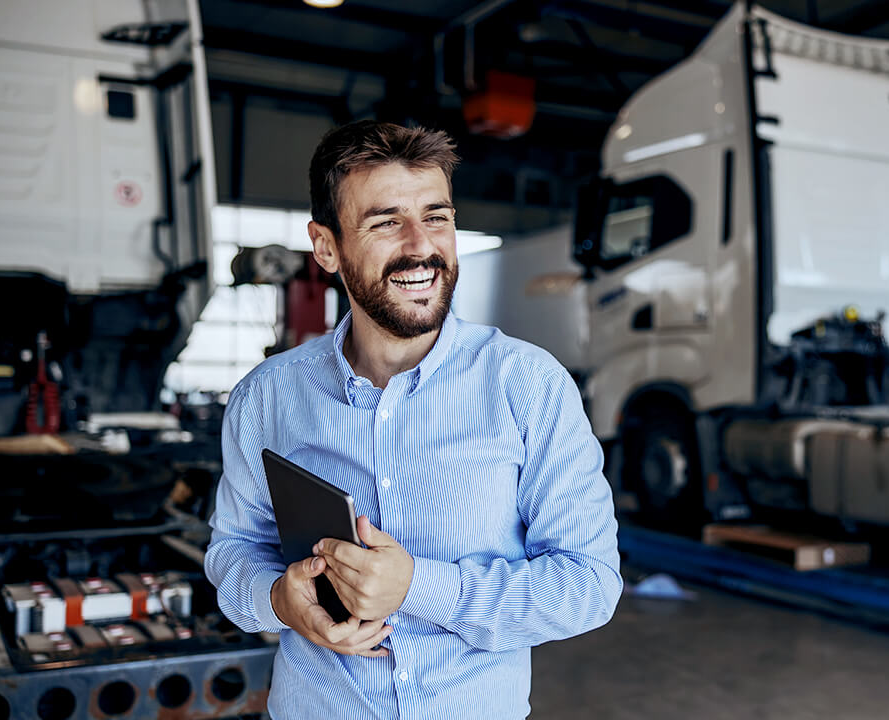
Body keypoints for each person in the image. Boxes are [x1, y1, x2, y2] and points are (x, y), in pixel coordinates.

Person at [205, 119, 622, 719]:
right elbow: (234, 551)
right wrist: (279, 600)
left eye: (437, 216)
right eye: (385, 222)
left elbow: (589, 586)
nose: (420, 246)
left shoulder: (528, 386)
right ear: (326, 247)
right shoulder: (266, 398)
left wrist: (419, 589)